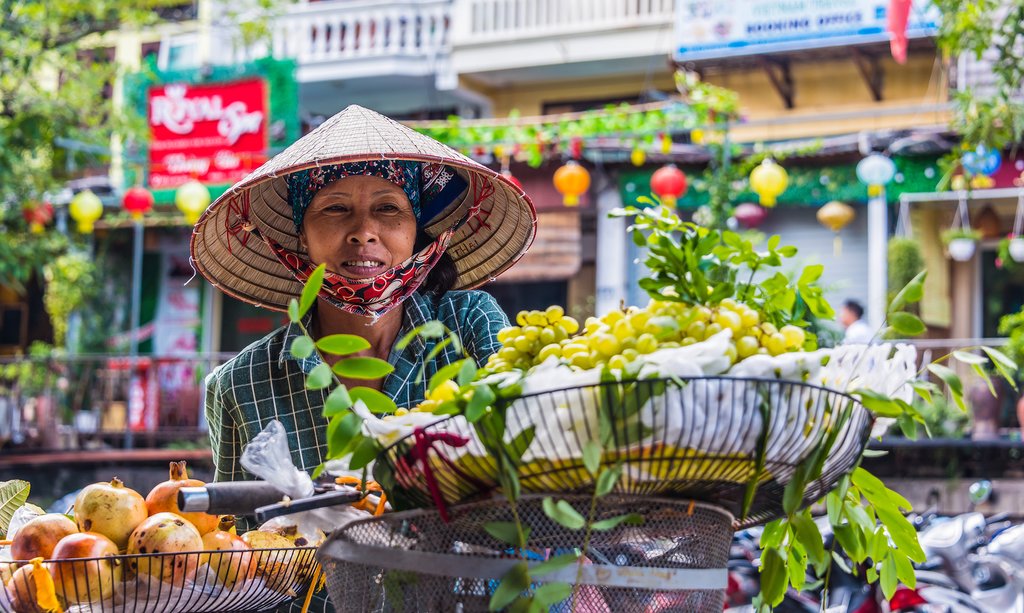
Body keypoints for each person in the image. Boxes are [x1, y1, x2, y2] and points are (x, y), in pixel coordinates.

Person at [192, 104, 536, 484]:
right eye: (335, 208)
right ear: (301, 236)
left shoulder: (469, 324)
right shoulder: (240, 383)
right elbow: (237, 537)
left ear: (415, 231)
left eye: (388, 208)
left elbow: (526, 459)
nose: (364, 232)